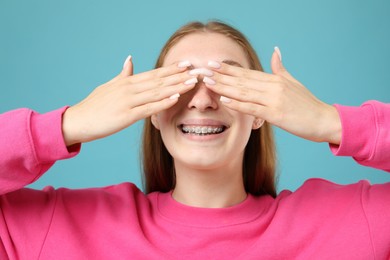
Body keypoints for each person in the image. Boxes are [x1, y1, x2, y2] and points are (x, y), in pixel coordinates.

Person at [0, 21, 389, 259]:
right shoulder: (58, 225)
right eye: (180, 83)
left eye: (228, 82)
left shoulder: (353, 221)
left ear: (260, 111)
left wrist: (330, 121)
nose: (202, 101)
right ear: (151, 108)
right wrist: (68, 125)